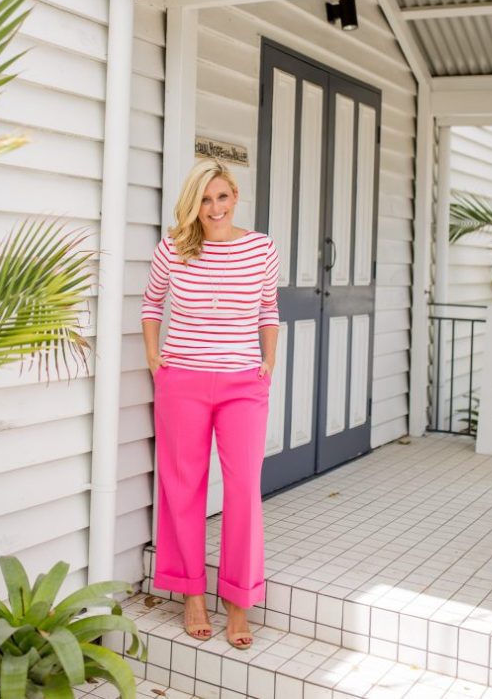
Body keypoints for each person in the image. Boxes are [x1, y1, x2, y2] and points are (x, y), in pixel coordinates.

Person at [141, 158, 279, 649]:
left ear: (235, 196)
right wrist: (156, 360)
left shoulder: (261, 248)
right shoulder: (173, 249)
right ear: (193, 204)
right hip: (183, 381)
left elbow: (268, 309)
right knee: (183, 487)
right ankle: (192, 595)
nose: (214, 207)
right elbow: (151, 303)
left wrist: (268, 362)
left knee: (243, 489)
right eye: (204, 199)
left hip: (243, 384)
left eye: (221, 197)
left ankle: (238, 602)